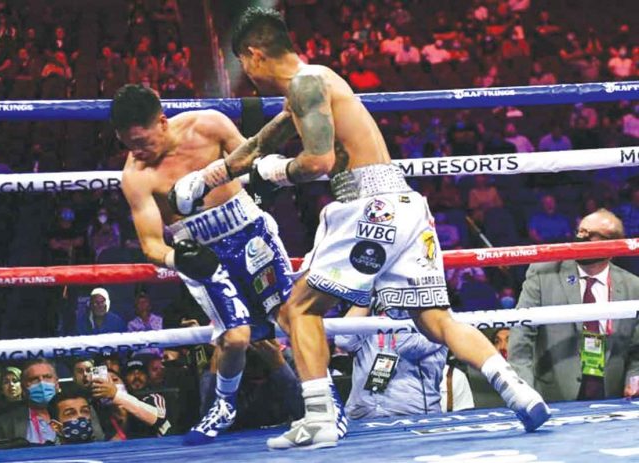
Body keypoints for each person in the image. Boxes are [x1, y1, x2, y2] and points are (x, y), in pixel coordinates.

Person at [171, 7, 550, 449]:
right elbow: (258, 145)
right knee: (433, 320)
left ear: (254, 55)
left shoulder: (306, 83)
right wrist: (203, 180)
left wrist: (275, 173)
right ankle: (518, 391)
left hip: (369, 206)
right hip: (405, 206)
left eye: (242, 64)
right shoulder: (313, 84)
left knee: (298, 310)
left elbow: (318, 161)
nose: (244, 76)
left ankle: (319, 420)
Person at [110, 84, 307, 445]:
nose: (136, 151)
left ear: (162, 123)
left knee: (292, 317)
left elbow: (252, 160)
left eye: (141, 141)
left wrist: (267, 183)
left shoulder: (209, 125)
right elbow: (152, 244)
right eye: (128, 144)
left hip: (251, 233)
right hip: (204, 257)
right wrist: (177, 258)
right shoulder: (136, 175)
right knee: (235, 339)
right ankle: (223, 405)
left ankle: (320, 401)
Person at [509, 209, 639, 402]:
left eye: (590, 235)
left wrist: (634, 379)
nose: (581, 238)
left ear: (613, 245)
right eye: (580, 231)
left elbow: (637, 349)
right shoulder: (544, 273)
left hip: (611, 397)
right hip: (552, 395)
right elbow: (521, 335)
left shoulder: (632, 286)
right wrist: (524, 390)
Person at [335, 304, 447, 419]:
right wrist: (365, 299)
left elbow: (408, 346)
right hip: (363, 413)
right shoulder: (371, 318)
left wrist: (395, 305)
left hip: (413, 415)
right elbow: (343, 341)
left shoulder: (439, 319)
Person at [0, 359, 105, 445]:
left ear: (57, 383)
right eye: (34, 379)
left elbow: (99, 445)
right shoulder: (4, 423)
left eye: (47, 377)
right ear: (23, 387)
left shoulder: (83, 410)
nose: (41, 383)